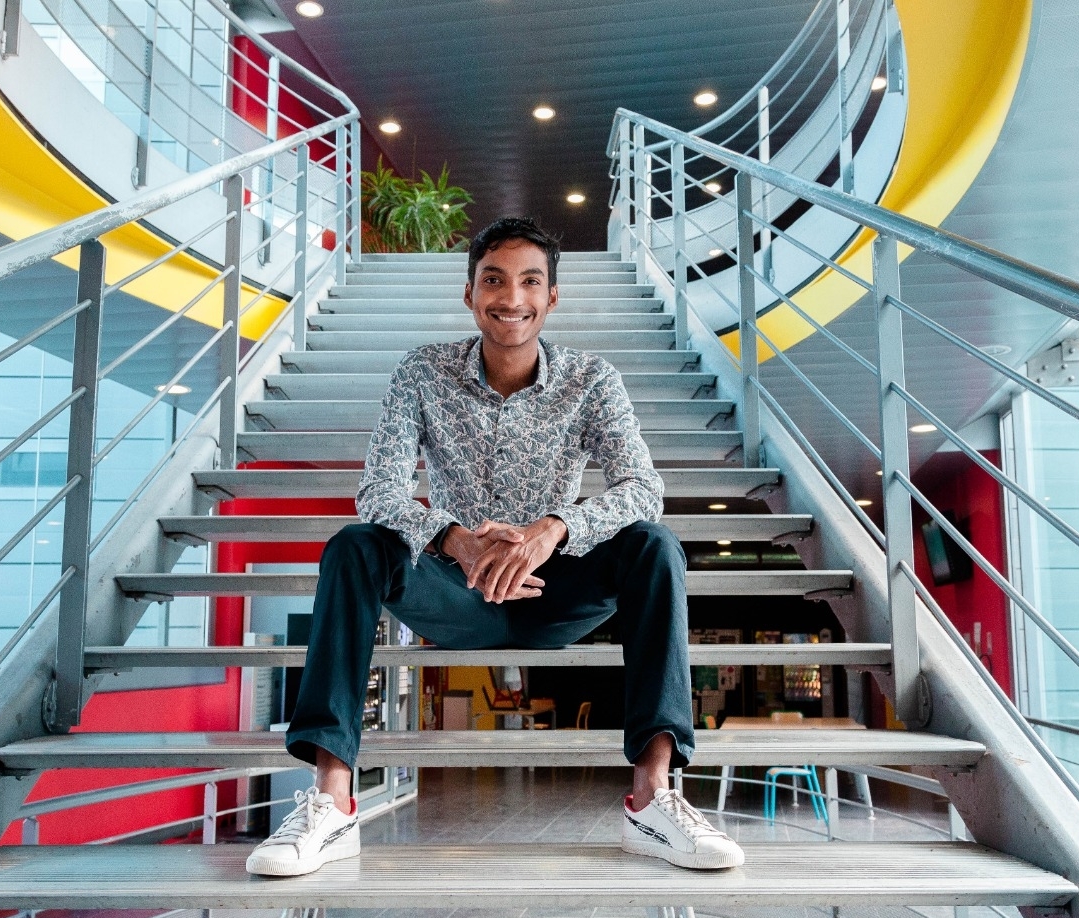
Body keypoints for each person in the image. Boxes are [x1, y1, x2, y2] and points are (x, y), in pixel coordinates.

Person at [246, 217, 745, 877]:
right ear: (470, 292)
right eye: (494, 280)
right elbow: (379, 492)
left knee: (653, 545)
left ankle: (653, 798)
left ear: (552, 296)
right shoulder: (422, 372)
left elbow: (642, 488)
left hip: (555, 593)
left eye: (530, 281)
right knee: (355, 546)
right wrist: (455, 540)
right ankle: (331, 801)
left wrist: (551, 530)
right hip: (455, 594)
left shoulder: (592, 379)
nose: (512, 297)